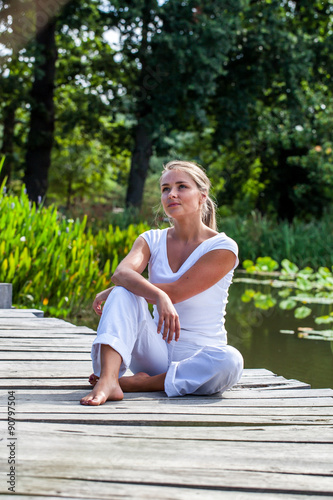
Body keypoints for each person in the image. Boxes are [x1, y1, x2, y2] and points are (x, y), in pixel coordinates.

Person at [80, 160, 243, 406]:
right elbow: (122, 272)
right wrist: (154, 295)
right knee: (124, 293)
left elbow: (177, 292)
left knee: (231, 361)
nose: (172, 194)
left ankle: (143, 383)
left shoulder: (222, 247)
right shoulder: (151, 239)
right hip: (155, 349)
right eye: (166, 189)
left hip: (199, 355)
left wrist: (136, 289)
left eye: (181, 187)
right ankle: (109, 380)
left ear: (202, 196)